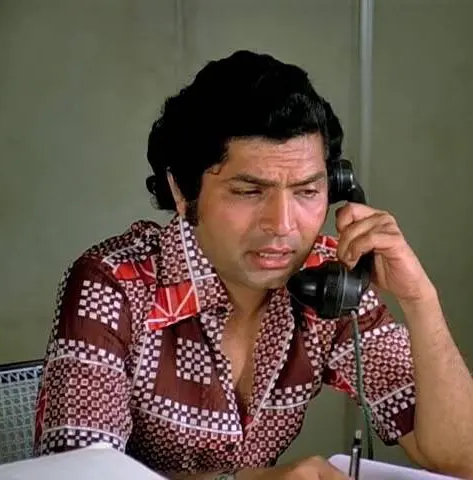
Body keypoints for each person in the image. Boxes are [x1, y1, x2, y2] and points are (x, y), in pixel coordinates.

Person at [33, 50, 473, 479]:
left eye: (307, 192)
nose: (282, 225)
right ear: (183, 191)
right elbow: (75, 477)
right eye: (249, 192)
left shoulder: (328, 280)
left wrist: (420, 300)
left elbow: (461, 457)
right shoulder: (112, 283)